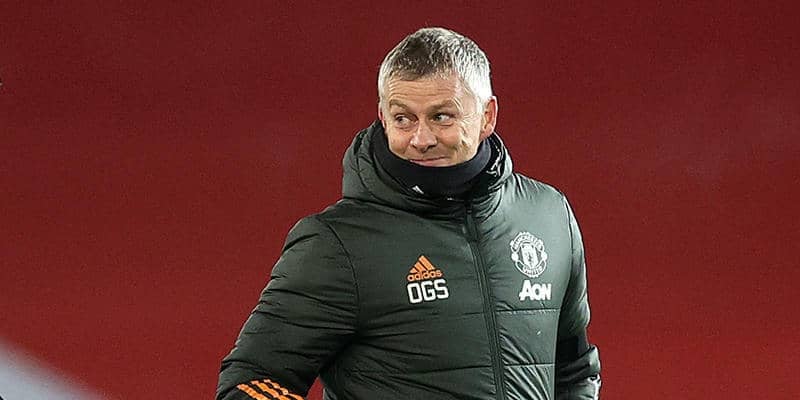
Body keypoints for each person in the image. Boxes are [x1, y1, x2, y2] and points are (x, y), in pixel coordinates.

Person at [217, 27, 601, 400]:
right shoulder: (336, 244)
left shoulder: (549, 215)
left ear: (487, 116)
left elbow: (575, 371)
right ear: (383, 117)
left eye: (441, 117)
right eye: (404, 118)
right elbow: (248, 383)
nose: (421, 139)